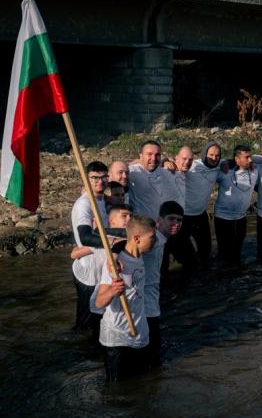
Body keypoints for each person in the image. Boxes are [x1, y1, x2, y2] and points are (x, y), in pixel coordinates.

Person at [96, 215, 156, 382]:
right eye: (152, 237)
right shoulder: (116, 266)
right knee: (117, 391)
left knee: (140, 384)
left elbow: (125, 239)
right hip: (116, 337)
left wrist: (115, 248)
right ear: (137, 238)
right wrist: (111, 291)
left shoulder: (140, 253)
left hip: (139, 333)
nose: (156, 241)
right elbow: (99, 302)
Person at [71, 203, 130, 340]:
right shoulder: (105, 238)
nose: (128, 220)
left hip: (114, 284)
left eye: (130, 216)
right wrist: (109, 242)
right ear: (112, 220)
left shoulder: (130, 238)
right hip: (91, 279)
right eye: (124, 216)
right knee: (90, 320)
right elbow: (74, 254)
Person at [70, 161, 111, 330]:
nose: (99, 182)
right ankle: (79, 353)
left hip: (101, 269)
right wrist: (115, 240)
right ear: (86, 180)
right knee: (85, 321)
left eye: (103, 177)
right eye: (94, 178)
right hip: (88, 273)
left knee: (99, 317)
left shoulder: (101, 200)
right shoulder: (84, 204)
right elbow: (85, 237)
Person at [143, 201, 183, 366]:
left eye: (179, 220)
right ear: (159, 220)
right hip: (144, 307)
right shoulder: (152, 240)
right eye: (171, 219)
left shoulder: (162, 240)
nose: (175, 224)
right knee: (153, 357)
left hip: (151, 304)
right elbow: (128, 242)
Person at [214, 145, 258, 265]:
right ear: (237, 159)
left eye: (251, 157)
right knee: (223, 253)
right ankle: (222, 279)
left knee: (237, 252)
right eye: (247, 157)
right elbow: (209, 165)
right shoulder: (225, 172)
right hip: (223, 219)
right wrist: (224, 161)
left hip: (241, 218)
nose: (250, 160)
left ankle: (236, 277)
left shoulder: (254, 171)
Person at [181, 141, 220, 265]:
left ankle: (205, 280)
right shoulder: (192, 166)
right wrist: (166, 160)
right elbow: (173, 163)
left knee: (206, 251)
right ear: (204, 154)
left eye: (217, 155)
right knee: (185, 254)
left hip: (200, 215)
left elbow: (238, 160)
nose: (214, 158)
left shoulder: (219, 166)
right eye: (211, 155)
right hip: (183, 216)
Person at [128, 140, 182, 219]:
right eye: (149, 154)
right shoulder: (131, 172)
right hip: (141, 225)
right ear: (141, 156)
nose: (153, 158)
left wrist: (166, 161)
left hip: (160, 225)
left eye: (157, 155)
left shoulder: (165, 172)